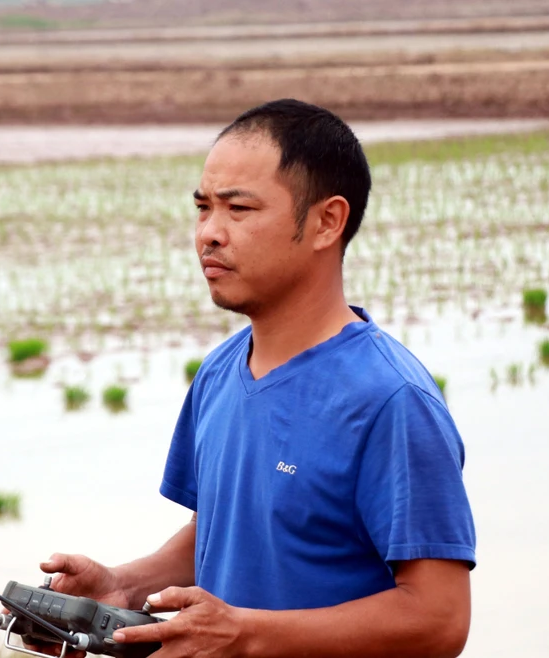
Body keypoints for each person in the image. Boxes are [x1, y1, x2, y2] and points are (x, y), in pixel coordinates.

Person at [34, 99, 476, 657]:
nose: (210, 234)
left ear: (326, 222)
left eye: (238, 210)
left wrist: (245, 635)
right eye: (203, 208)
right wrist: (120, 586)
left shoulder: (390, 401)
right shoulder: (220, 372)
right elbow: (226, 537)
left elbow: (439, 619)